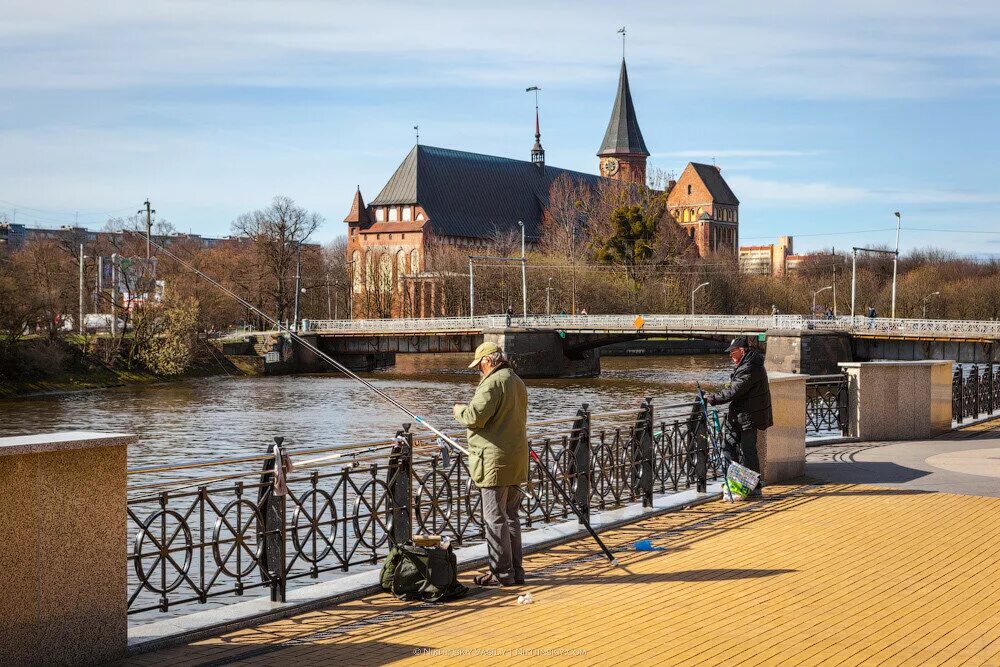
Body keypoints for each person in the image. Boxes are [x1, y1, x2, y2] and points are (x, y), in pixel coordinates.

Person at [453, 342, 529, 586]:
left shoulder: (493, 383)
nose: (479, 371)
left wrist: (458, 410)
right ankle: (516, 571)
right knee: (511, 516)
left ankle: (501, 573)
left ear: (488, 361)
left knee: (494, 518)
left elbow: (475, 417)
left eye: (479, 366)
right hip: (516, 459)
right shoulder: (517, 381)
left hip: (494, 462)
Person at [706, 336, 773, 499]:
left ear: (742, 351)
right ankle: (742, 483)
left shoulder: (749, 367)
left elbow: (735, 390)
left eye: (733, 352)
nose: (730, 356)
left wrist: (713, 398)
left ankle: (748, 485)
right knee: (734, 447)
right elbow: (736, 388)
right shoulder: (750, 363)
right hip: (743, 415)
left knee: (743, 450)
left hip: (746, 417)